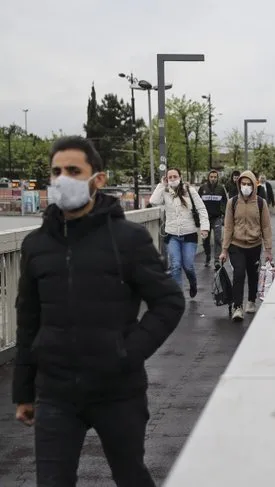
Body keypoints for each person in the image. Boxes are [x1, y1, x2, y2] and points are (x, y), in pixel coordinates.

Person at [13, 136, 185, 487]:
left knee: (130, 476)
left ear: (98, 179)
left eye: (74, 171)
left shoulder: (129, 239)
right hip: (56, 393)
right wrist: (23, 392)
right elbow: (28, 319)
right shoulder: (36, 245)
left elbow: (169, 301)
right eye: (56, 171)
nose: (63, 179)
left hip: (117, 391)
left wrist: (128, 352)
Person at [220, 170, 273, 321]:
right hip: (236, 245)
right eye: (243, 184)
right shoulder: (233, 202)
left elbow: (266, 227)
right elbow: (228, 226)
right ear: (239, 184)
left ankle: (251, 300)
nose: (246, 186)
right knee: (239, 274)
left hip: (254, 245)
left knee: (253, 274)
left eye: (249, 184)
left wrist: (268, 249)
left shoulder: (261, 203)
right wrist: (224, 249)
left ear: (254, 185)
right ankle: (238, 307)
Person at [149, 168, 210, 297]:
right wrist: (162, 185)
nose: (172, 179)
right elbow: (153, 201)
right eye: (169, 177)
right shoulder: (165, 192)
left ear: (180, 177)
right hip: (172, 235)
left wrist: (205, 227)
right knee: (175, 265)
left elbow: (201, 209)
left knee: (188, 266)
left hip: (189, 234)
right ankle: (178, 296)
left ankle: (193, 284)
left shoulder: (190, 191)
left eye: (174, 176)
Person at [198, 169, 228, 269]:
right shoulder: (202, 188)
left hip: (217, 218)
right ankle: (207, 256)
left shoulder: (221, 188)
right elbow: (197, 202)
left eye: (215, 177)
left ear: (217, 178)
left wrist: (222, 212)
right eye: (211, 177)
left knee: (218, 239)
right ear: (208, 177)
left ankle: (216, 260)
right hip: (205, 219)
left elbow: (225, 201)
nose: (213, 179)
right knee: (205, 240)